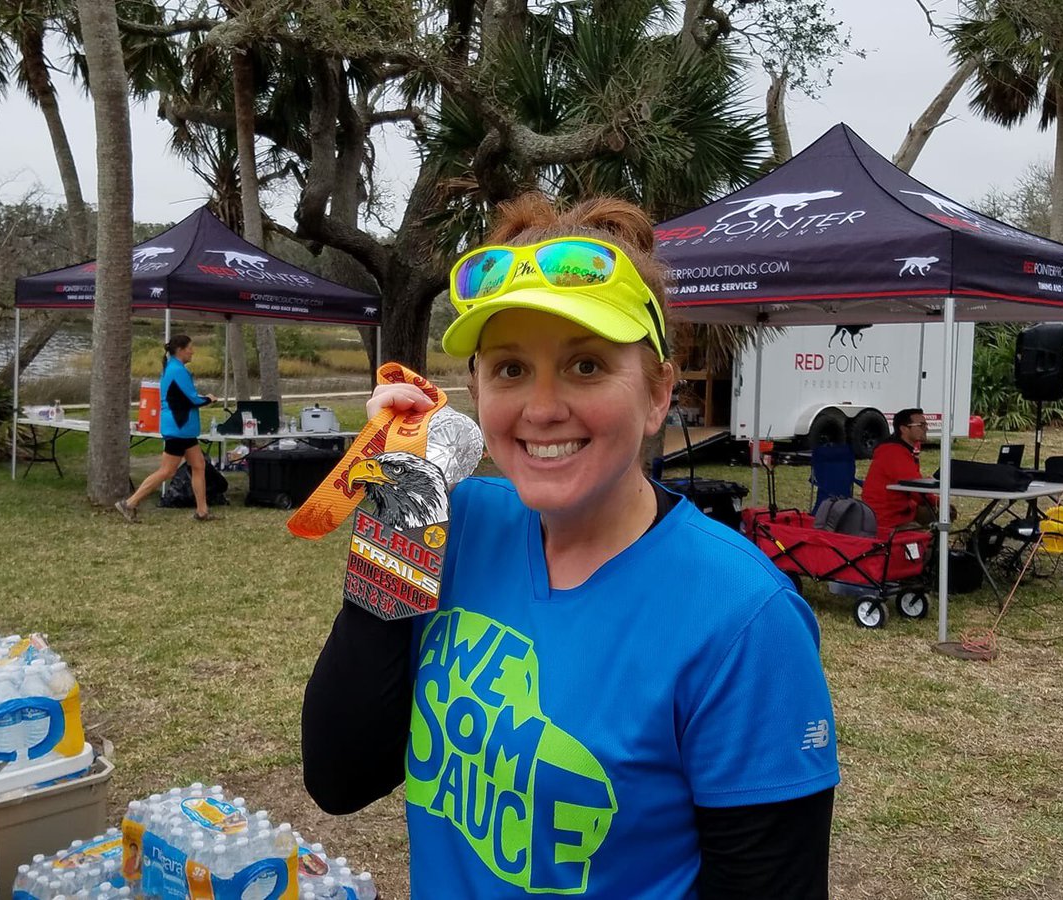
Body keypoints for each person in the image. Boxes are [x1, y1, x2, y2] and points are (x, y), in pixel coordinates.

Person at [302, 195, 839, 898]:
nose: (543, 407)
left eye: (586, 365)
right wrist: (395, 512)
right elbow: (341, 778)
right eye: (511, 369)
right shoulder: (450, 526)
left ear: (656, 395)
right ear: (476, 389)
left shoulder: (743, 620)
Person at [115, 334, 218, 522]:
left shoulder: (173, 368)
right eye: (190, 348)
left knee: (198, 465)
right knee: (167, 471)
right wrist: (209, 399)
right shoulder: (177, 370)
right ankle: (129, 503)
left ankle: (202, 511)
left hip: (183, 428)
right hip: (178, 427)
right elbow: (191, 399)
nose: (192, 351)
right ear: (180, 350)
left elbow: (183, 396)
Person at [861, 408, 939, 531]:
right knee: (943, 513)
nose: (926, 428)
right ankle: (930, 547)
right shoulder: (894, 452)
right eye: (921, 425)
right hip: (887, 518)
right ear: (904, 429)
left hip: (896, 510)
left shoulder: (899, 449)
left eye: (926, 424)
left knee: (939, 512)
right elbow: (916, 488)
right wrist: (938, 502)